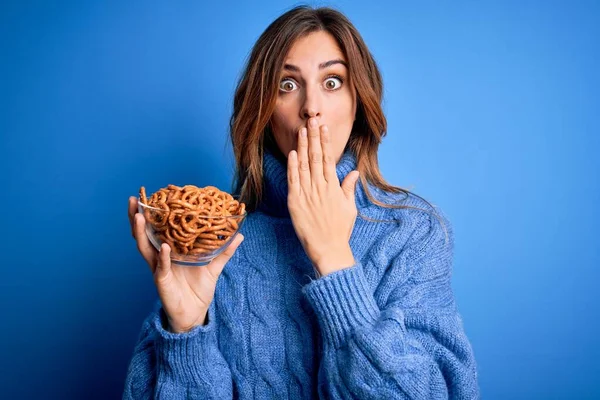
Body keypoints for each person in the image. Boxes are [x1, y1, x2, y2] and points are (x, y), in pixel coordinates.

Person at [124, 5, 479, 399]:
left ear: (358, 101)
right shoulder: (217, 241)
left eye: (332, 82)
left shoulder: (413, 233)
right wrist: (185, 334)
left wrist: (334, 261)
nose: (312, 107)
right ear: (263, 111)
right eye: (287, 85)